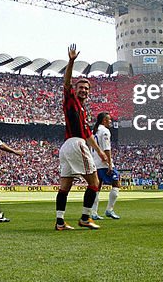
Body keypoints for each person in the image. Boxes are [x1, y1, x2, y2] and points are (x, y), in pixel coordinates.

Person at [54, 44, 109, 231]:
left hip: (68, 146)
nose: (83, 90)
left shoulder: (83, 111)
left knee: (65, 186)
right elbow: (67, 82)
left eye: (86, 88)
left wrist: (100, 151)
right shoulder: (71, 100)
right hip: (75, 144)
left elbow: (88, 134)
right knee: (94, 182)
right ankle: (85, 218)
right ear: (75, 89)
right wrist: (71, 61)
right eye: (81, 87)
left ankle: (59, 221)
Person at [89, 112, 120, 220]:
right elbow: (107, 149)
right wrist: (110, 164)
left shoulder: (94, 131)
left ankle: (93, 212)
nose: (111, 121)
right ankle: (109, 210)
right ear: (104, 121)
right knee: (116, 183)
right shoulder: (105, 131)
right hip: (103, 163)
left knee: (97, 187)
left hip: (94, 162)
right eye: (109, 119)